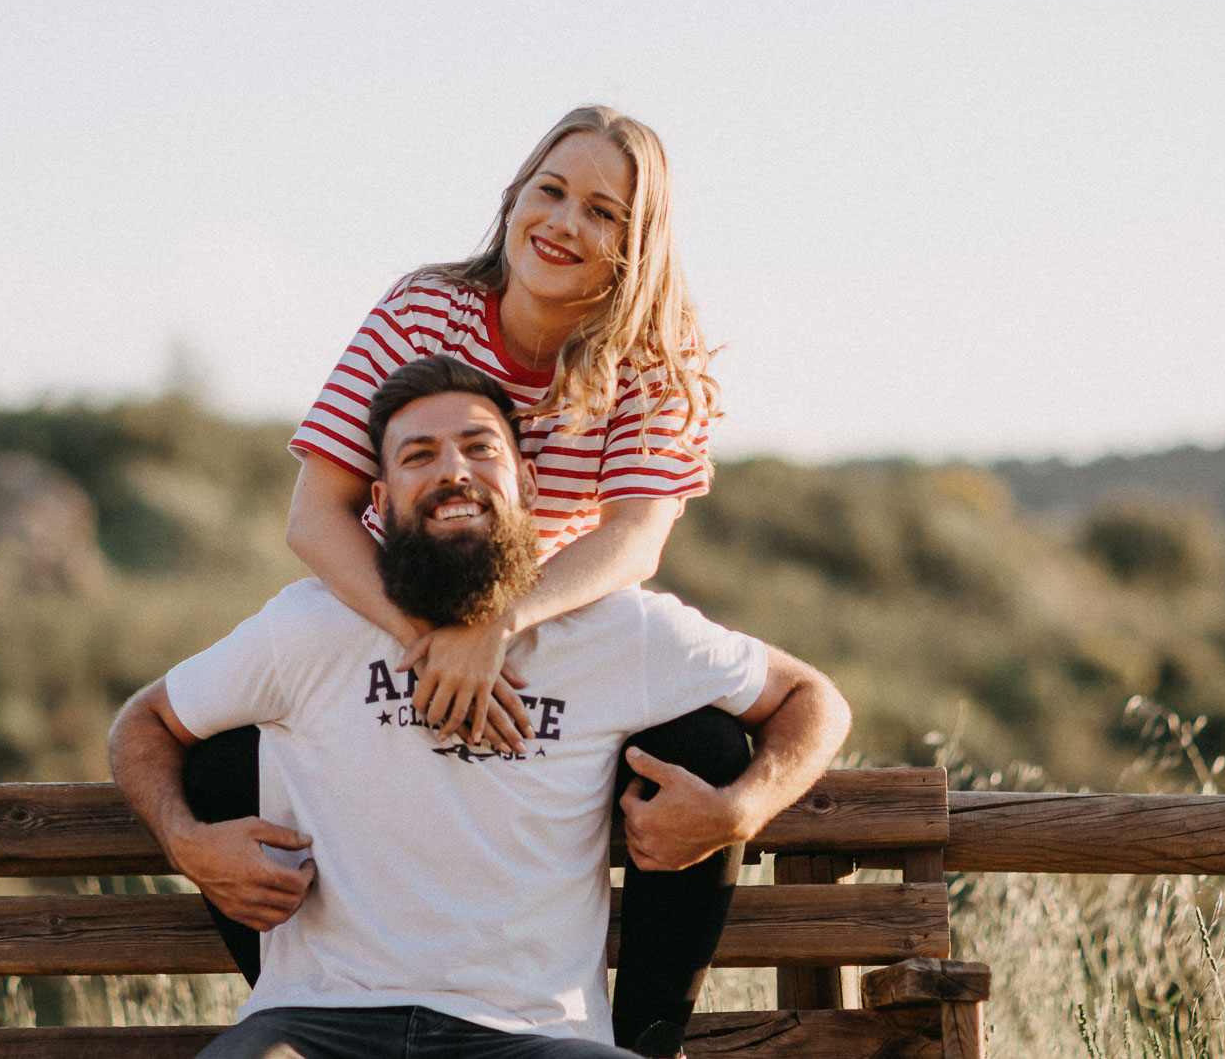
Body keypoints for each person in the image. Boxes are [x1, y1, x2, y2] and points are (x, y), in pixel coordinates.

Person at [190, 107, 748, 1050]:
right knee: (220, 761)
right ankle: (323, 1010)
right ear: (514, 199)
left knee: (704, 745)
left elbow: (637, 536)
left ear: (636, 244)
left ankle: (645, 1039)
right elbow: (316, 513)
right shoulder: (423, 312)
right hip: (396, 596)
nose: (566, 224)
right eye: (552, 191)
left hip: (548, 621)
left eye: (605, 212)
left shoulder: (658, 348)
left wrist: (502, 628)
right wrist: (429, 641)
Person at [113, 357, 851, 1058]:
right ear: (379, 502)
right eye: (418, 455)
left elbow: (812, 698)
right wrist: (185, 842)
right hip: (316, 1025)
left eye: (478, 447)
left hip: (537, 1037)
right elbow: (141, 724)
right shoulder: (308, 628)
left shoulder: (619, 632)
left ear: (527, 483)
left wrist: (739, 811)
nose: (453, 470)